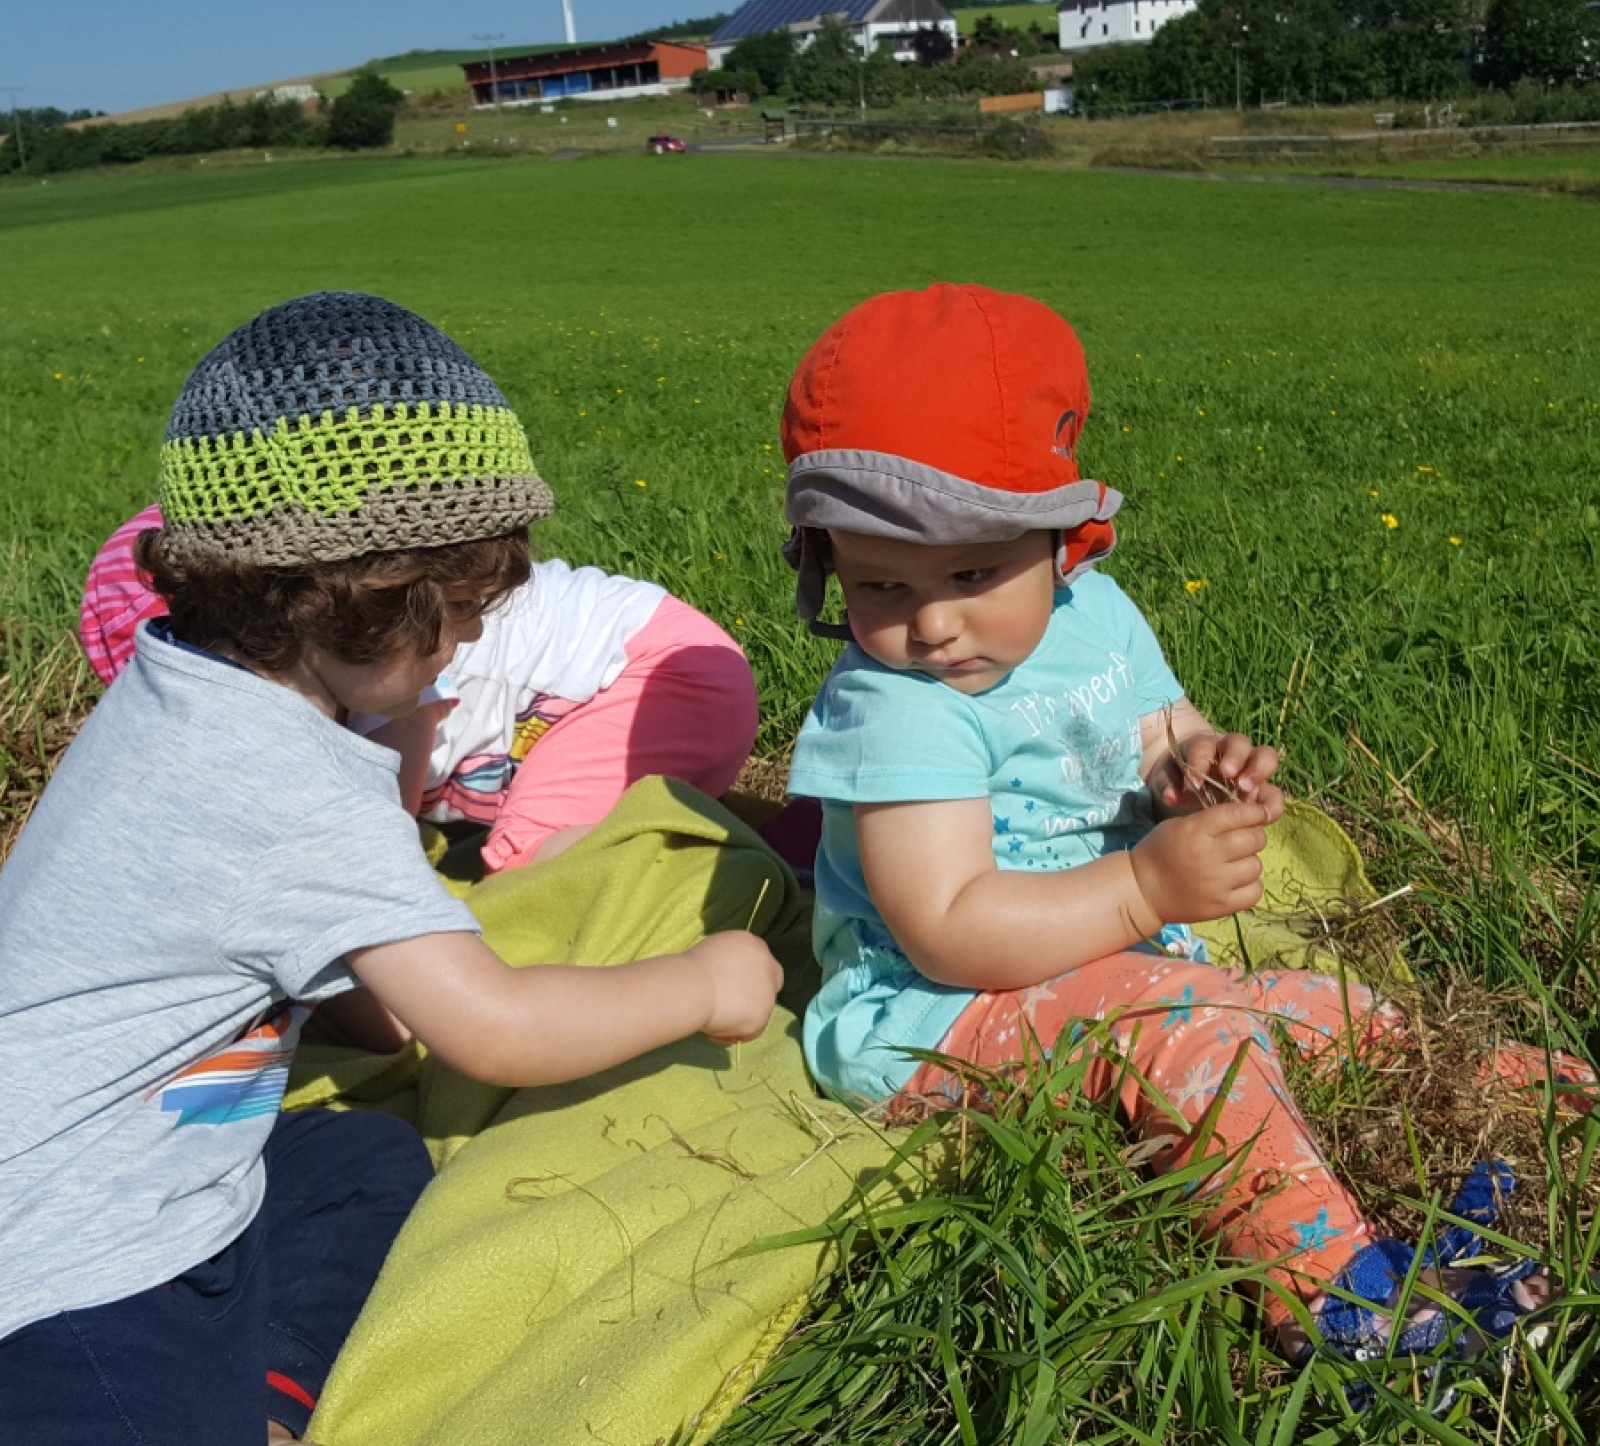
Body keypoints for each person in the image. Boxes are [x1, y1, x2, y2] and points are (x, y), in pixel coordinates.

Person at [0, 292, 783, 1445]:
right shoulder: (288, 783)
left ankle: (269, 1395)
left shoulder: (177, 684)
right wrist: (706, 983)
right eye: (457, 612)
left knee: (362, 1158)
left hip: (148, 1160)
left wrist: (374, 1007)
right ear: (356, 599)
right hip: (77, 1256)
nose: (468, 642)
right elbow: (495, 1030)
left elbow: (334, 977)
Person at [777, 282, 1589, 1375]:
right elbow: (948, 929)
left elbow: (1159, 727)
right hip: (935, 1017)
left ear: (1063, 539)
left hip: (1112, 964)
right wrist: (1144, 890)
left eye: (972, 573)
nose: (930, 623)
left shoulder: (1096, 616)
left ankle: (1499, 1101)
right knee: (1183, 1026)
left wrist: (1194, 767)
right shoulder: (894, 704)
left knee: (1320, 1010)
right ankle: (1340, 1303)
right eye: (878, 583)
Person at [81, 523, 760, 873]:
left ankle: (735, 879)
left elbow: (383, 833)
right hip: (661, 665)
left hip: (658, 673)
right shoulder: (346, 648)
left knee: (527, 865)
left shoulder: (380, 656)